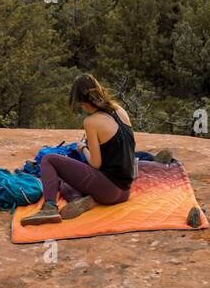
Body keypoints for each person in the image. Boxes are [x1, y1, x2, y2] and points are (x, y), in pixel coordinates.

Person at [22, 73, 136, 225]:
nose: (82, 107)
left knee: (48, 160)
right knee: (63, 178)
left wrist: (83, 148)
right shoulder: (120, 111)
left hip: (109, 191)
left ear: (84, 101)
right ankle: (78, 199)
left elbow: (96, 164)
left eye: (80, 104)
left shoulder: (91, 121)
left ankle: (49, 208)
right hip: (125, 191)